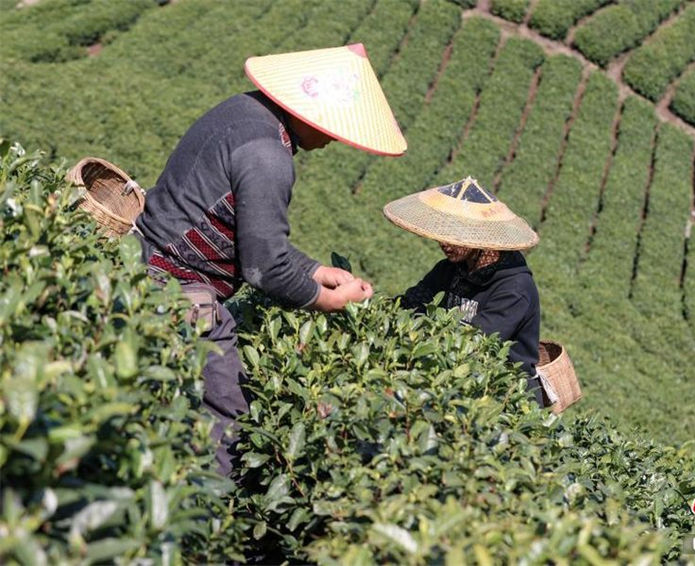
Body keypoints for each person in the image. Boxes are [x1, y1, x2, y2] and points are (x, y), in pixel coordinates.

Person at [132, 44, 407, 475]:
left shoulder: (243, 110)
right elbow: (263, 266)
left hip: (144, 256)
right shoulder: (267, 155)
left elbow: (246, 233)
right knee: (226, 412)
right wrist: (327, 299)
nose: (333, 138)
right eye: (331, 126)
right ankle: (203, 520)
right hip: (174, 285)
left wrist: (315, 270)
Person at [383, 176, 546, 406]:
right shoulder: (449, 270)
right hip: (460, 383)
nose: (445, 243)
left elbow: (473, 344)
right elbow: (412, 304)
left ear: (479, 237)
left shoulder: (514, 288)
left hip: (506, 397)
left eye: (457, 235)